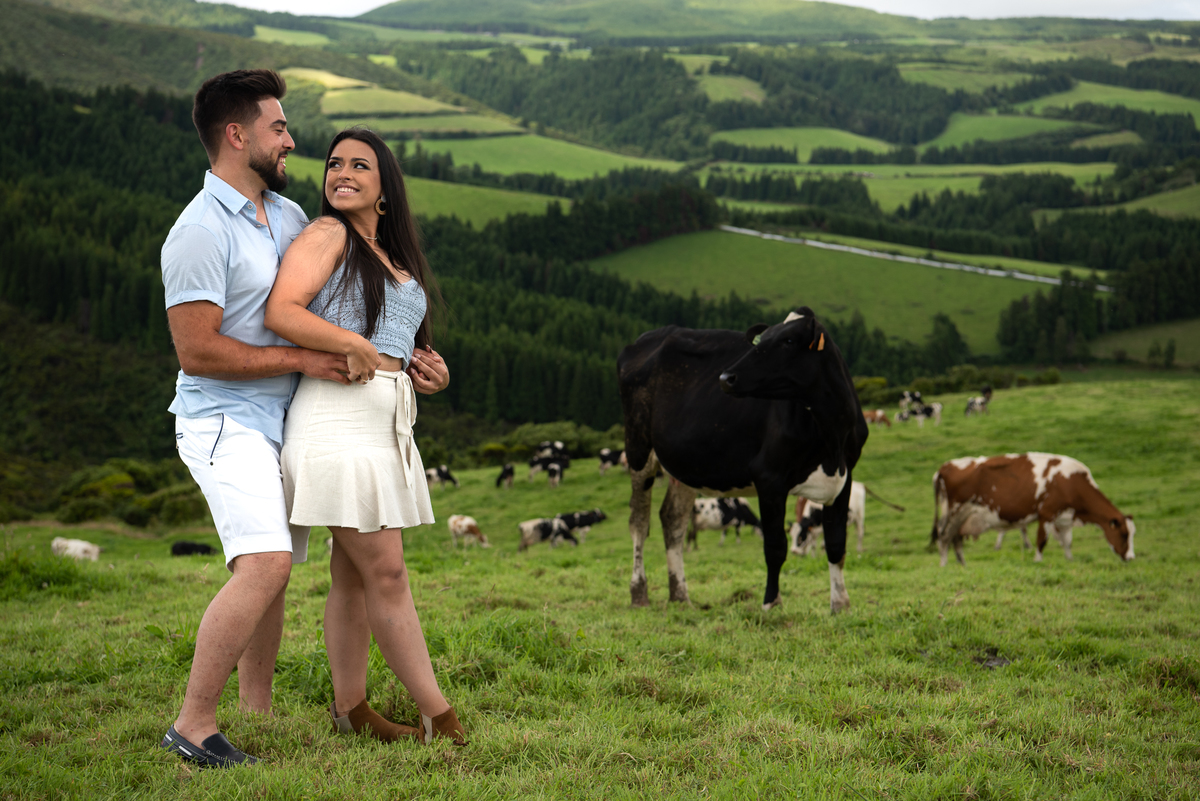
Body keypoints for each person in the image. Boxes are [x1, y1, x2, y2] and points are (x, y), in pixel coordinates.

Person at [158, 69, 351, 768]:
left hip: (281, 420)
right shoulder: (197, 232)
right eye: (277, 127)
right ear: (237, 136)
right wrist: (301, 358)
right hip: (220, 420)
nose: (291, 140)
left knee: (273, 566)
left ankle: (257, 709)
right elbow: (197, 349)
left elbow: (328, 310)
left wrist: (406, 354)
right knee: (265, 563)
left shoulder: (290, 217)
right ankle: (193, 724)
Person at [263, 127, 466, 746]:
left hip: (386, 422)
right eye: (333, 163)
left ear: (384, 190)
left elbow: (397, 347)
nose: (342, 172)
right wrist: (352, 343)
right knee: (388, 574)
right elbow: (283, 311)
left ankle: (350, 708)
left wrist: (430, 372)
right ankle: (440, 716)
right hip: (335, 417)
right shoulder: (328, 234)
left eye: (359, 165)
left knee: (354, 575)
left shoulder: (395, 261)